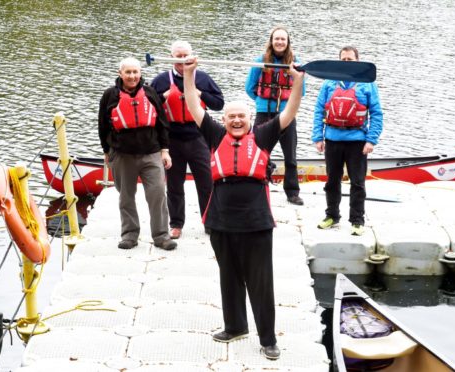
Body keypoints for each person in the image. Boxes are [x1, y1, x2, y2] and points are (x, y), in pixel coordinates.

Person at [183, 56, 304, 360]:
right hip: (221, 220)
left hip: (256, 222)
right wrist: (189, 74)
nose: (236, 120)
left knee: (261, 281)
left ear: (250, 119)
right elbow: (193, 107)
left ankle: (268, 338)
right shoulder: (214, 135)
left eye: (241, 116)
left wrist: (298, 81)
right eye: (230, 116)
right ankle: (235, 325)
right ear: (223, 120)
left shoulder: (262, 136)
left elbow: (289, 112)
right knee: (229, 276)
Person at [98, 57, 177, 251]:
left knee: (157, 193)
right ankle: (129, 234)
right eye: (128, 72)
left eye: (135, 72)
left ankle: (161, 235)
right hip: (122, 155)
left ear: (140, 73)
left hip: (151, 153)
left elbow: (162, 124)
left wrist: (165, 151)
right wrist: (106, 152)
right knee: (126, 196)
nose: (132, 76)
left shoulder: (150, 93)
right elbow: (102, 125)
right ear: (120, 74)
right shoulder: (110, 95)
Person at [151, 40, 224, 239]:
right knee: (174, 184)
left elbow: (219, 103)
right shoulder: (160, 80)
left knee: (206, 182)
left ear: (192, 56)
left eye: (186, 56)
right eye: (178, 56)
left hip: (198, 137)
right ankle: (176, 224)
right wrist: (162, 97)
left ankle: (210, 221)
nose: (182, 60)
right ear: (171, 57)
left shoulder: (202, 78)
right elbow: (147, 107)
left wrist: (200, 93)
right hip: (172, 138)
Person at [311, 46, 383, 236]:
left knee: (358, 183)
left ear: (357, 61)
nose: (346, 63)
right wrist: (318, 137)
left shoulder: (367, 84)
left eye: (350, 60)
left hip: (357, 141)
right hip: (332, 139)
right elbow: (319, 110)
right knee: (332, 181)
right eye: (343, 59)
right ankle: (332, 215)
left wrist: (371, 140)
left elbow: (376, 113)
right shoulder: (329, 84)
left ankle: (357, 220)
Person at [245, 26, 305, 206]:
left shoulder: (295, 63)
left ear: (287, 43)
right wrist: (262, 101)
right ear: (271, 41)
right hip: (264, 112)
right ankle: (258, 186)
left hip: (286, 114)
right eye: (276, 39)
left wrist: (288, 106)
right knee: (259, 151)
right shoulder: (260, 61)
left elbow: (300, 91)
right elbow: (250, 88)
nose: (279, 42)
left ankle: (292, 192)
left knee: (290, 155)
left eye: (283, 39)